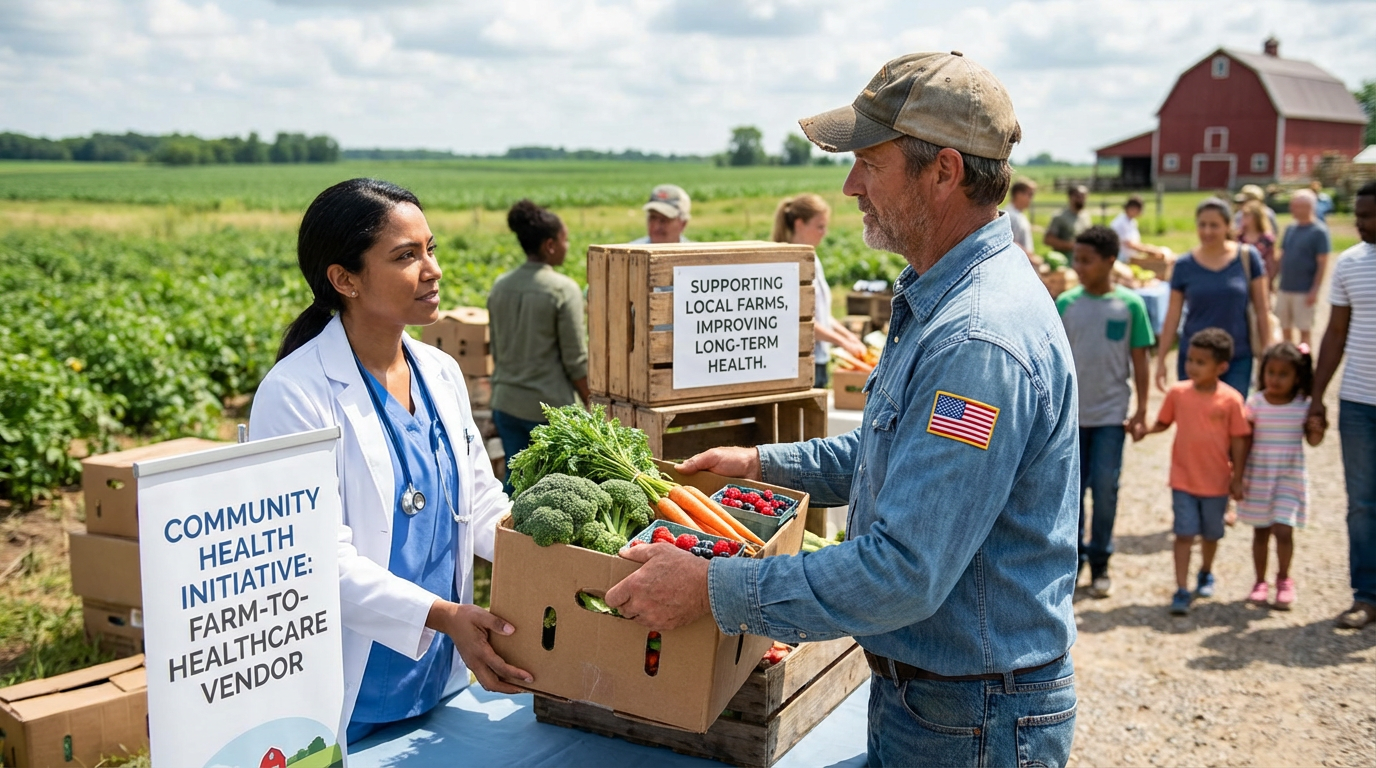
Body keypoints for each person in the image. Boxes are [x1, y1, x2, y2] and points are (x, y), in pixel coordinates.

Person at [603, 51, 1080, 768]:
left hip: (969, 719)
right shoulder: (944, 296)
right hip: (946, 703)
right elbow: (897, 454)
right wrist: (762, 462)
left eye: (869, 163)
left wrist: (714, 587)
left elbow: (904, 574)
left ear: (944, 171)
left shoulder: (976, 340)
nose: (852, 186)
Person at [248, 178, 532, 745]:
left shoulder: (440, 372)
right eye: (406, 256)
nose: (433, 269)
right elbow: (313, 562)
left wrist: (568, 559)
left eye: (431, 248)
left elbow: (479, 508)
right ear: (344, 279)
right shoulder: (295, 394)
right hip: (350, 699)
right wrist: (446, 616)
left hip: (442, 683)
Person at [1058, 225, 1156, 599]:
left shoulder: (1131, 306)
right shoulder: (1066, 303)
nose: (1078, 266)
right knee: (1072, 494)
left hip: (1112, 416)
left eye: (1086, 260)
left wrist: (1143, 409)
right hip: (1072, 419)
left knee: (1106, 488)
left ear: (1110, 261)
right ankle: (1074, 561)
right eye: (1075, 259)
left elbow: (1140, 361)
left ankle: (1101, 562)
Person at [1308, 179, 1376, 629]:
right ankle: (1366, 595)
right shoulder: (1350, 264)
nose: (1360, 223)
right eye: (1358, 215)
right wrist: (1316, 398)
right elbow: (1334, 334)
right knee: (1362, 503)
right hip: (1358, 403)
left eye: (1369, 215)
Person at [487, 200, 590, 494]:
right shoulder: (562, 289)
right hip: (549, 410)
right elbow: (575, 360)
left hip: (506, 403)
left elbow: (497, 346)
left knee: (516, 485)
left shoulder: (500, 285)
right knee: (551, 493)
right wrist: (591, 402)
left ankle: (503, 539)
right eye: (565, 239)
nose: (568, 245)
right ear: (550, 245)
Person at [1146, 328, 1251, 615]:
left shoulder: (1231, 400)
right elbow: (1163, 423)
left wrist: (1237, 478)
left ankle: (1205, 571)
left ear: (1221, 367)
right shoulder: (1178, 393)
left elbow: (1240, 439)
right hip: (1183, 479)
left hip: (1217, 482)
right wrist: (1144, 430)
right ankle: (1181, 588)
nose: (1192, 366)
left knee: (1211, 534)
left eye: (1200, 362)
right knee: (1183, 534)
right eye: (1190, 360)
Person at [1155, 197, 1270, 397]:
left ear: (1228, 226)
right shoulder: (1183, 265)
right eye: (1202, 225)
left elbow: (1262, 310)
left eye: (1214, 225)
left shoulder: (1247, 258)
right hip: (1194, 358)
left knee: (1232, 419)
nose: (1207, 231)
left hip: (1237, 357)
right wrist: (1161, 359)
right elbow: (1173, 315)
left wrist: (1267, 356)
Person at [1240, 342, 1323, 610]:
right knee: (1261, 531)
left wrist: (1317, 427)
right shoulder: (1254, 404)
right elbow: (1243, 441)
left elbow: (1314, 441)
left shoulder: (1303, 406)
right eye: (1270, 372)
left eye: (1283, 374)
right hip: (1260, 475)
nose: (1274, 379)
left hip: (1288, 475)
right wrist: (1237, 475)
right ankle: (1260, 581)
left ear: (1297, 377)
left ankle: (1284, 579)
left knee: (1284, 530)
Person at [771, 194, 867, 387]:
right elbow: (800, 320)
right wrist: (842, 342)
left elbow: (821, 315)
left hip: (818, 359)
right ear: (799, 224)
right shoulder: (790, 265)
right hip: (801, 362)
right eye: (819, 226)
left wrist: (847, 337)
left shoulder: (812, 259)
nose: (824, 232)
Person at [1275, 189, 1331, 347]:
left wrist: (1315, 289)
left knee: (1304, 330)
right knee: (1284, 328)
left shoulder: (1319, 231)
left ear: (1309, 207)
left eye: (1296, 206)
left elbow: (1322, 263)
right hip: (1285, 287)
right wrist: (1273, 278)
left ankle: (1304, 364)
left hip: (1304, 290)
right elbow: (1282, 256)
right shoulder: (1290, 229)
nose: (1292, 209)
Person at [1239, 200, 1278, 284]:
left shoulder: (1267, 239)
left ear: (1256, 218)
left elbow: (1272, 262)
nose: (1243, 218)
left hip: (1262, 279)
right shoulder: (1238, 237)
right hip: (1241, 280)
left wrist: (1269, 281)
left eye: (1247, 215)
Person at [1044, 184, 1091, 254]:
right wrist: (1072, 246)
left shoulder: (1085, 215)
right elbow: (1048, 240)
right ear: (1070, 197)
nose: (1081, 199)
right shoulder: (1059, 216)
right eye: (1078, 196)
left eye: (1084, 196)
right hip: (1065, 257)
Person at [1004, 177, 1037, 260]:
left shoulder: (1019, 215)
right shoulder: (1012, 216)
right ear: (1018, 194)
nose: (1031, 199)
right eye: (1029, 194)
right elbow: (1011, 243)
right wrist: (1031, 257)